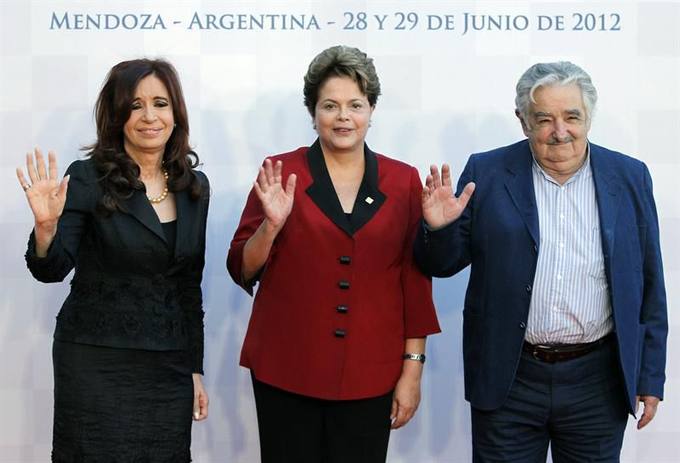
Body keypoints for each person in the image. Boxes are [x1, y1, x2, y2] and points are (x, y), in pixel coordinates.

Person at [415, 61, 668, 462]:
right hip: (510, 377)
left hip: (597, 381)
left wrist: (651, 375)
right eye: (544, 118)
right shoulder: (487, 172)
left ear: (589, 117)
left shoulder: (629, 176)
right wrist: (439, 228)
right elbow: (441, 264)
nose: (560, 131)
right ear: (523, 122)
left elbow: (651, 281)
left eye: (572, 117)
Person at [227, 45, 440, 463]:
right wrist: (271, 225)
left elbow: (414, 282)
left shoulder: (403, 180)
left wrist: (412, 369)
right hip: (286, 367)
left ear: (372, 109)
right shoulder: (281, 172)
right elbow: (241, 267)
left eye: (355, 105)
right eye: (330, 105)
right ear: (313, 112)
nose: (344, 117)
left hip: (371, 372)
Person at [16, 59, 210, 462]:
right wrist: (46, 228)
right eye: (135, 105)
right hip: (95, 359)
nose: (149, 116)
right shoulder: (86, 177)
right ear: (117, 114)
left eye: (160, 103)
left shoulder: (195, 187)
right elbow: (50, 270)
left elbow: (189, 285)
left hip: (169, 364)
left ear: (176, 112)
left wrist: (195, 368)